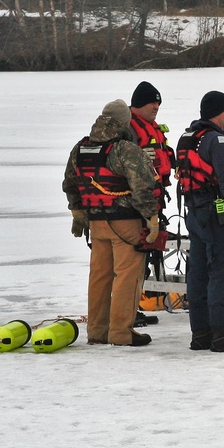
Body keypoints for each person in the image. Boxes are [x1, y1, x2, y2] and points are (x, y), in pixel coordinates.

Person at [63, 100, 161, 347]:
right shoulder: (125, 149)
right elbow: (142, 187)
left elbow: (70, 183)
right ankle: (120, 333)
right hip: (126, 224)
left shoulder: (81, 147)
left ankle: (97, 331)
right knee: (127, 276)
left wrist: (78, 213)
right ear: (124, 122)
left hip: (96, 224)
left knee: (99, 276)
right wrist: (152, 218)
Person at [176, 91, 224, 352]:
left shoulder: (187, 138)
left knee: (198, 273)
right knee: (223, 272)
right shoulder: (218, 142)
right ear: (216, 113)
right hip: (218, 215)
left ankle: (200, 334)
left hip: (194, 213)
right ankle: (222, 335)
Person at [129, 81, 174, 328]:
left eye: (158, 103)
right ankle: (125, 310)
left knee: (142, 259)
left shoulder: (150, 127)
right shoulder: (129, 129)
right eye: (151, 103)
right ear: (138, 104)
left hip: (152, 201)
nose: (156, 107)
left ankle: (131, 306)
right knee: (130, 260)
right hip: (135, 205)